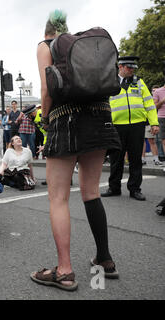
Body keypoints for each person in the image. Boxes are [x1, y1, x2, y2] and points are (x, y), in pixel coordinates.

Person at [30, 10, 121, 292]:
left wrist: (45, 120)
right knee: (91, 191)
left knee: (58, 198)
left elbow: (47, 90)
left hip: (66, 119)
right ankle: (104, 259)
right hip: (100, 116)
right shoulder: (83, 48)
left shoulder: (45, 46)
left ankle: (65, 271)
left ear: (47, 31)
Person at [102, 56, 159, 201]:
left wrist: (154, 123)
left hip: (137, 125)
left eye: (134, 68)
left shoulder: (139, 82)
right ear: (120, 67)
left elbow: (150, 105)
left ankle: (135, 189)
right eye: (129, 67)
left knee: (135, 159)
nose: (132, 70)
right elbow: (103, 106)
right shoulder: (111, 83)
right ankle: (114, 188)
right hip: (117, 126)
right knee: (116, 158)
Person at [153, 82, 165, 162]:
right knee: (164, 140)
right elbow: (155, 106)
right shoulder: (158, 91)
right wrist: (163, 101)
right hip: (162, 117)